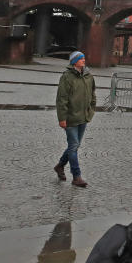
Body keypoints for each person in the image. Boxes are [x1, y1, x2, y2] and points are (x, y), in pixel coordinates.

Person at [54, 50, 96, 188]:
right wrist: (62, 118)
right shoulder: (67, 77)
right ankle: (76, 176)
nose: (84, 60)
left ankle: (60, 165)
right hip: (70, 117)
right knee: (73, 146)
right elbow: (62, 99)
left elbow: (93, 94)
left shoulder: (89, 76)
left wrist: (91, 110)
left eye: (84, 58)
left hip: (83, 117)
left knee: (75, 145)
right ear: (74, 61)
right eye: (80, 58)